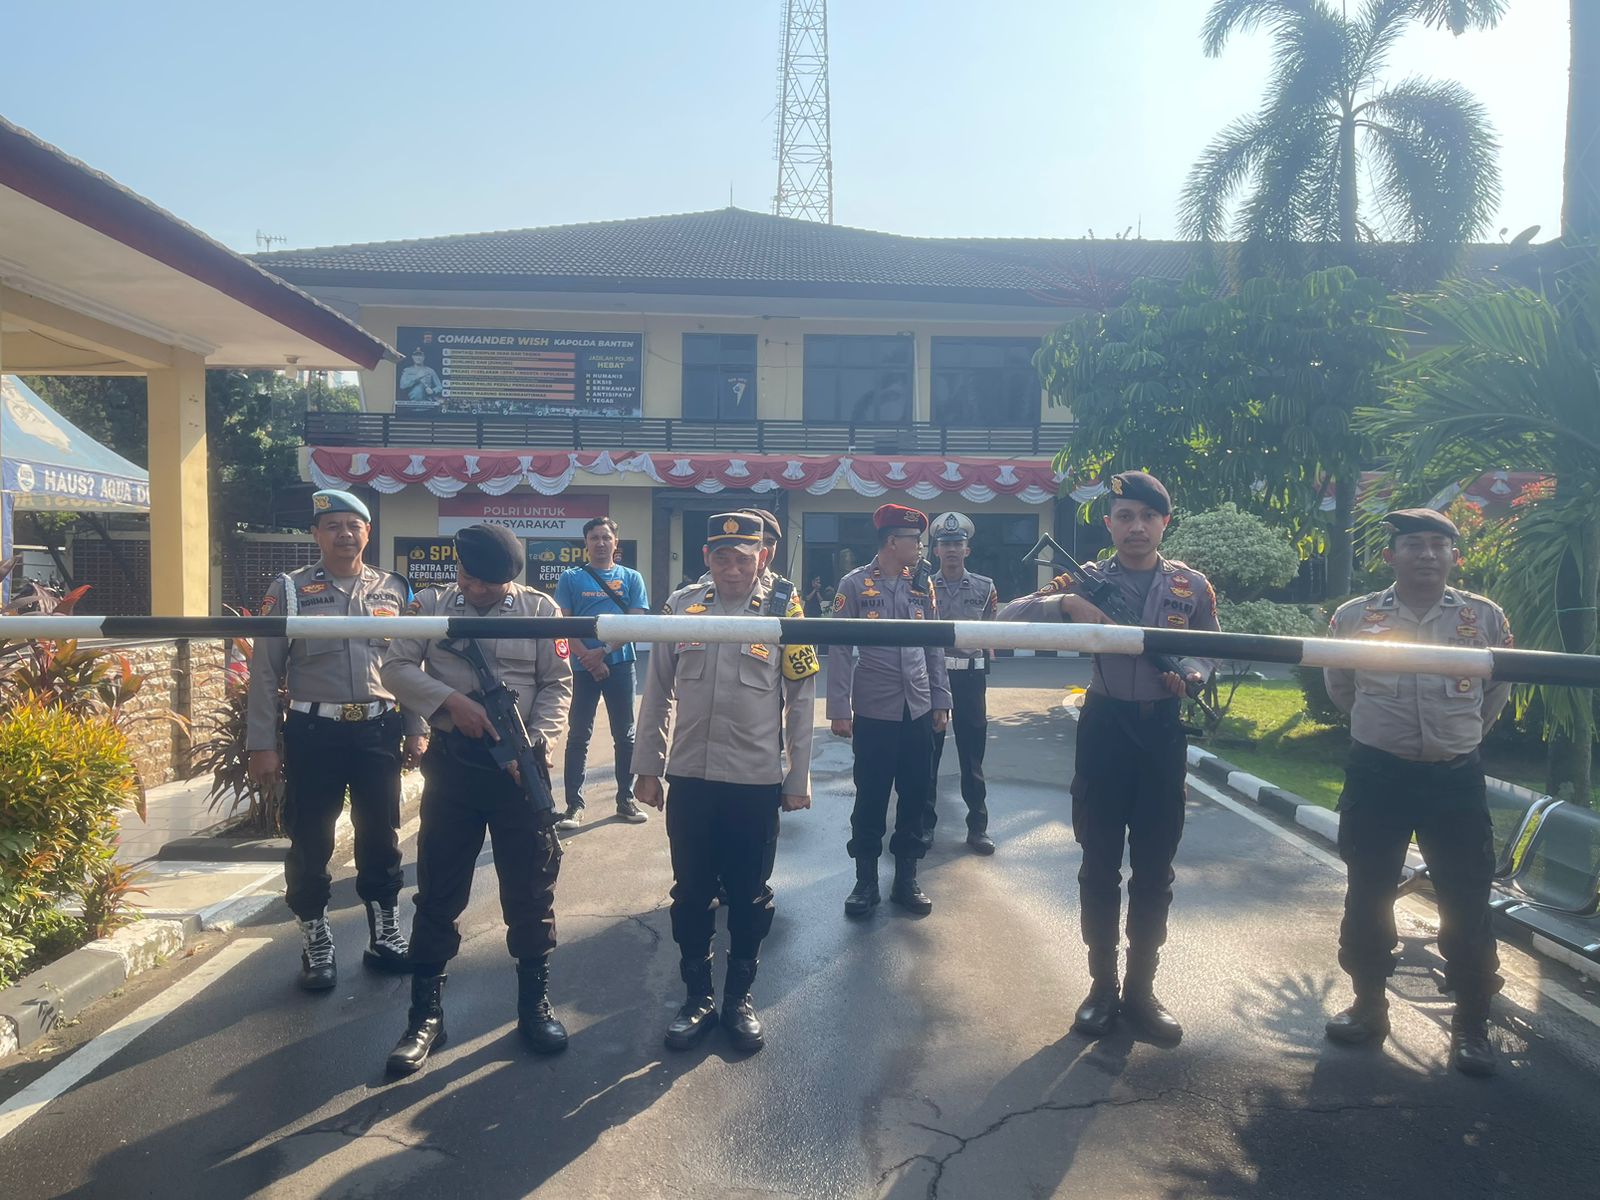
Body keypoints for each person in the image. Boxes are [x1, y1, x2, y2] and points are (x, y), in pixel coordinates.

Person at [999, 471, 1215, 1045]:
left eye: (1147, 516)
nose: (1136, 526)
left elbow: (1210, 648)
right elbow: (1004, 617)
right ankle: (1101, 987)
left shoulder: (1192, 586)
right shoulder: (1087, 580)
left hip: (1162, 732)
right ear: (1109, 523)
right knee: (1098, 862)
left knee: (1155, 866)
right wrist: (1067, 603)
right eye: (1124, 516)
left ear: (1165, 522)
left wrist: (1193, 675)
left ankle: (1142, 991)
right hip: (1105, 728)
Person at [1322, 508, 1513, 1078]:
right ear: (1391, 556)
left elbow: (1497, 689)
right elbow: (1340, 684)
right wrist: (1382, 729)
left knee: (1467, 900)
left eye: (1437, 544)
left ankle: (1472, 1023)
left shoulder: (1484, 617)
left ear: (1455, 555)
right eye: (1413, 545)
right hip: (1377, 775)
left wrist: (1459, 737)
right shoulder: (1357, 616)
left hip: (1454, 779)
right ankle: (1368, 1006)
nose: (1426, 554)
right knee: (1368, 893)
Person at [379, 524, 574, 1074]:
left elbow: (558, 684)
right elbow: (394, 667)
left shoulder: (541, 611)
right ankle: (425, 1017)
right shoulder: (430, 606)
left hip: (519, 770)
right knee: (439, 891)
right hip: (454, 768)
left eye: (489, 583)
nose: (476, 589)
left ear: (509, 579)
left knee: (531, 891)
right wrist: (450, 703)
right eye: (468, 578)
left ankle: (534, 1006)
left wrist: (538, 742)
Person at [633, 512, 818, 1053]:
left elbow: (801, 700)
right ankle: (697, 998)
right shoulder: (682, 607)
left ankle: (738, 999)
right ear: (706, 557)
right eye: (721, 557)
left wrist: (797, 775)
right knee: (690, 893)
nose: (732, 568)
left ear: (763, 556)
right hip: (690, 776)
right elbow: (657, 691)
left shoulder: (785, 609)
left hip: (754, 781)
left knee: (749, 895)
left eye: (743, 558)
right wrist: (647, 766)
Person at [246, 489, 422, 991]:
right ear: (316, 534)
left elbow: (409, 665)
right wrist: (262, 743)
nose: (344, 534)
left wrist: (417, 728)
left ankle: (385, 933)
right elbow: (265, 671)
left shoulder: (394, 589)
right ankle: (316, 939)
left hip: (378, 729)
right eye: (333, 526)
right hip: (314, 732)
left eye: (353, 525)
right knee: (311, 838)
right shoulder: (290, 590)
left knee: (381, 836)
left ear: (368, 532)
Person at [829, 503, 951, 918]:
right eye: (915, 540)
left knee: (916, 794)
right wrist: (839, 707)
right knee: (871, 795)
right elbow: (839, 649)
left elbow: (934, 645)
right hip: (874, 708)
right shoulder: (853, 584)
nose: (920, 548)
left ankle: (906, 879)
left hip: (917, 706)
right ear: (892, 541)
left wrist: (941, 699)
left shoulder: (922, 585)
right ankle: (865, 881)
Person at [554, 516, 650, 828]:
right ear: (586, 543)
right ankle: (574, 806)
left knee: (625, 734)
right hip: (581, 668)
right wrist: (588, 657)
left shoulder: (632, 578)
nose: (600, 543)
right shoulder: (571, 578)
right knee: (578, 735)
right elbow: (563, 623)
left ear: (615, 542)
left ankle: (625, 799)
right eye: (594, 537)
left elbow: (636, 622)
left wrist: (603, 652)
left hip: (620, 664)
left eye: (606, 537)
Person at [928, 511, 999, 856]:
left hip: (970, 678)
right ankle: (924, 825)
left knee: (972, 757)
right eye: (946, 544)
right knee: (929, 755)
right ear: (936, 551)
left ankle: (977, 827)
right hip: (935, 676)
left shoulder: (986, 587)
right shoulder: (923, 586)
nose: (952, 550)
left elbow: (990, 629)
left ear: (967, 550)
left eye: (958, 544)